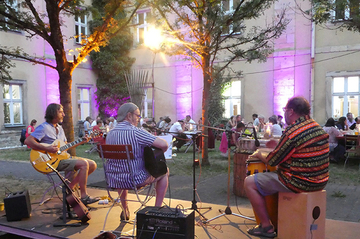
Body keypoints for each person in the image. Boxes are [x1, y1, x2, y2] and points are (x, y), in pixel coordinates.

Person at [244, 96, 329, 238]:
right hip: (320, 180)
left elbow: (272, 161)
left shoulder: (293, 131)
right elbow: (299, 152)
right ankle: (280, 220)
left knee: (249, 182)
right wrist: (277, 147)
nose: (284, 113)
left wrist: (259, 154)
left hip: (298, 182)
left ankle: (266, 227)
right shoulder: (316, 127)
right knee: (270, 179)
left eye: (284, 110)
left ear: (290, 111)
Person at [24, 103, 99, 205]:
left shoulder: (60, 128)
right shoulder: (44, 127)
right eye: (61, 112)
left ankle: (70, 186)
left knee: (92, 164)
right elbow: (28, 141)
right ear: (53, 113)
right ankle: (84, 196)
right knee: (84, 164)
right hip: (51, 161)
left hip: (63, 157)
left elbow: (65, 145)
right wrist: (47, 148)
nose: (63, 114)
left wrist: (81, 141)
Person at [105, 103, 169, 221]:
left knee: (122, 169)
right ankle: (157, 210)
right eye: (138, 115)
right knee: (164, 172)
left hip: (114, 180)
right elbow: (164, 145)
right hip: (135, 180)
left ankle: (125, 210)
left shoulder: (110, 134)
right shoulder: (136, 132)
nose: (139, 118)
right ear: (129, 116)